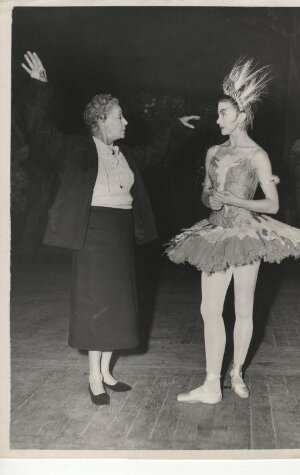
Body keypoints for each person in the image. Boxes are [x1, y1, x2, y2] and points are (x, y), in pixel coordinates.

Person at [22, 51, 199, 405]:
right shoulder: (76, 148)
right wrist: (41, 87)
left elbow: (157, 152)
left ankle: (106, 372)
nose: (126, 122)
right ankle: (93, 378)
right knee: (94, 304)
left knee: (116, 305)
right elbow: (41, 133)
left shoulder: (126, 154)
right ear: (101, 121)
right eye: (120, 117)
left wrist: (175, 127)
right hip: (92, 234)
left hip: (120, 234)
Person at [166, 58, 300, 404]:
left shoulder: (258, 155)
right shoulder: (212, 151)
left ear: (241, 116)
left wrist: (236, 200)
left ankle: (236, 371)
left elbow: (272, 204)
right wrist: (211, 201)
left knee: (244, 309)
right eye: (217, 113)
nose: (217, 119)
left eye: (223, 114)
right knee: (209, 309)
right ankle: (211, 383)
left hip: (247, 236)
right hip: (215, 235)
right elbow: (205, 192)